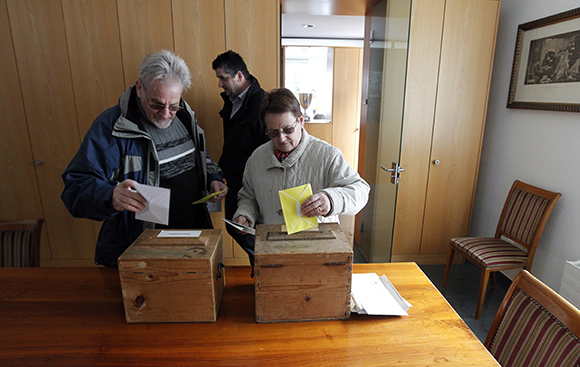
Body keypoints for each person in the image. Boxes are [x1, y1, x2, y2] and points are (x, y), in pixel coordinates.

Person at [62, 50, 227, 267]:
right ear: (140, 88)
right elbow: (76, 186)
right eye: (157, 104)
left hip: (192, 236)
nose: (166, 113)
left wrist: (211, 178)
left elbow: (199, 156)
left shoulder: (185, 114)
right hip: (141, 248)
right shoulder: (112, 127)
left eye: (173, 105)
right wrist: (110, 196)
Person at [233, 88, 370, 233]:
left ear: (301, 121)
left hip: (319, 248)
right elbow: (248, 197)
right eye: (273, 132)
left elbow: (360, 191)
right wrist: (245, 214)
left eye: (288, 129)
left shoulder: (327, 154)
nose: (281, 138)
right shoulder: (257, 159)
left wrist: (330, 200)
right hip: (274, 245)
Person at [212, 50, 269, 266]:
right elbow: (232, 145)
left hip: (254, 184)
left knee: (248, 229)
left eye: (223, 78)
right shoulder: (232, 101)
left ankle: (265, 266)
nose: (220, 84)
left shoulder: (262, 104)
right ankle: (263, 264)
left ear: (238, 76)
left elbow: (267, 150)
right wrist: (218, 173)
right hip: (235, 179)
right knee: (234, 227)